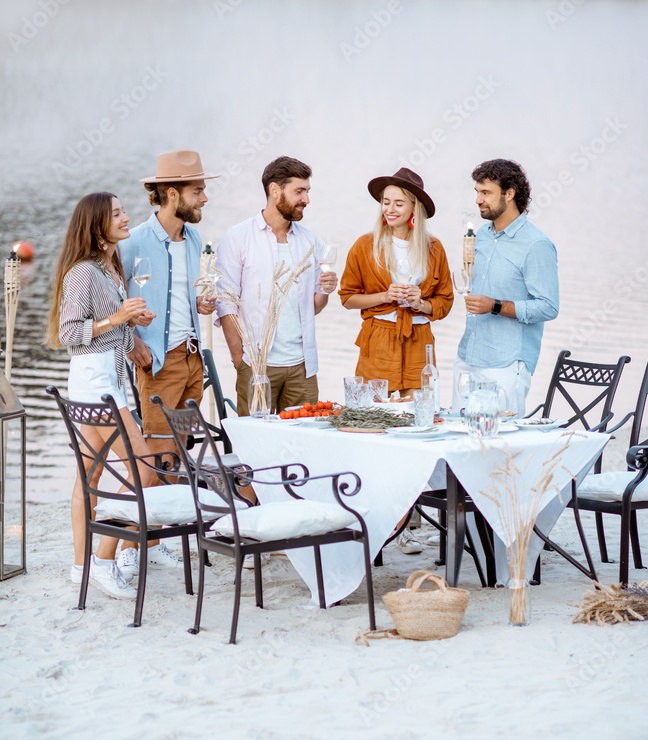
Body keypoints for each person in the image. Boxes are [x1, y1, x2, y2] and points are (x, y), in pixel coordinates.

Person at [46, 192, 158, 599]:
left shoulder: (109, 269)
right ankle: (104, 559)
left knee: (89, 476)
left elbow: (112, 331)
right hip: (96, 386)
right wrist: (118, 317)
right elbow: (69, 334)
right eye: (117, 213)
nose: (126, 217)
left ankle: (81, 568)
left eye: (124, 210)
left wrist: (133, 322)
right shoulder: (81, 273)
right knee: (144, 470)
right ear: (96, 226)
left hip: (103, 383)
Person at [117, 148, 219, 578]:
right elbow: (111, 298)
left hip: (192, 358)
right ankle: (128, 546)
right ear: (171, 194)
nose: (204, 199)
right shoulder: (135, 241)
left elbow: (185, 297)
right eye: (198, 191)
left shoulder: (193, 239)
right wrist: (129, 342)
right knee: (157, 459)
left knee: (178, 455)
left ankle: (155, 541)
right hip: (160, 364)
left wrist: (202, 304)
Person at [215, 155, 337, 415]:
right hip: (258, 366)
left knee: (304, 443)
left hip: (303, 369)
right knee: (257, 444)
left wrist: (325, 290)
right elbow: (226, 304)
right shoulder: (238, 238)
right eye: (299, 191)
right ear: (274, 190)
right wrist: (240, 360)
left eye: (307, 191)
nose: (306, 199)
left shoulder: (309, 241)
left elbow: (312, 307)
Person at [452, 158, 559, 417]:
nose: (478, 199)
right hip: (468, 357)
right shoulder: (483, 235)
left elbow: (548, 307)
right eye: (477, 192)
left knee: (501, 449)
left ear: (509, 194)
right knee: (457, 441)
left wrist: (495, 306)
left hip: (506, 364)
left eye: (486, 192)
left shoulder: (536, 245)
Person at [338, 166, 454, 399]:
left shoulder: (434, 248)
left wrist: (420, 304)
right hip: (379, 340)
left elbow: (445, 302)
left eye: (399, 204)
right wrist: (385, 296)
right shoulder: (364, 245)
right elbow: (348, 299)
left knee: (417, 414)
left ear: (414, 208)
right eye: (385, 202)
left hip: (419, 339)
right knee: (373, 416)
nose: (389, 210)